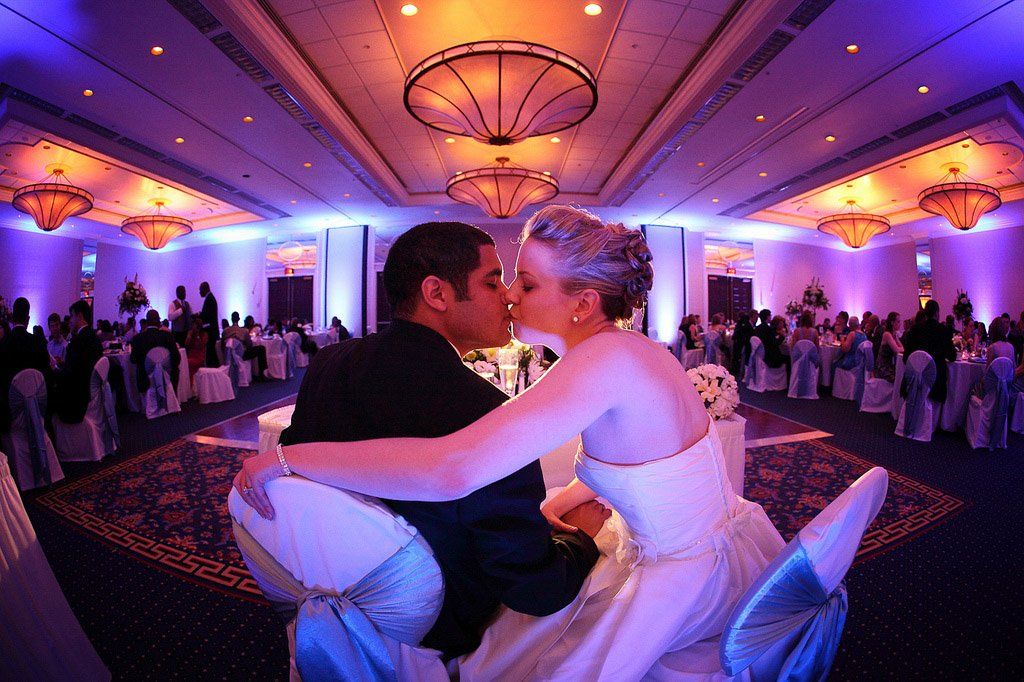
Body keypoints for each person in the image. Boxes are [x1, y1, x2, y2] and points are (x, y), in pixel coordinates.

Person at [235, 206, 784, 679]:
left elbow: (452, 469)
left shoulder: (606, 360)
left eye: (526, 283)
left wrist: (286, 457)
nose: (511, 297)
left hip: (684, 577)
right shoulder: (622, 352)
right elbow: (642, 470)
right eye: (504, 281)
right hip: (699, 544)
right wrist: (563, 507)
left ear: (583, 303)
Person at [266, 220, 602, 661]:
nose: (508, 295)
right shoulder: (487, 412)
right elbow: (533, 588)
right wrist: (581, 540)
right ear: (437, 293)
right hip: (435, 624)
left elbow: (300, 489)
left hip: (328, 589)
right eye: (491, 281)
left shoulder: (330, 364)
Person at [0, 297, 52, 433]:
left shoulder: (3, 344)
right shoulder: (38, 343)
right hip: (36, 410)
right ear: (28, 319)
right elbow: (46, 375)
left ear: (12, 318)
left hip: (9, 413)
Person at [54, 300, 103, 424]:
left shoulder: (78, 341)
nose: (69, 320)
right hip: (93, 391)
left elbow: (72, 375)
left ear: (79, 316)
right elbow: (81, 365)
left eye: (72, 316)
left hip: (78, 395)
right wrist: (63, 365)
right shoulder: (95, 338)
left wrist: (54, 371)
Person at [903, 300, 956, 402]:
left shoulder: (914, 329)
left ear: (925, 313)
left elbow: (906, 359)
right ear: (937, 313)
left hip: (914, 380)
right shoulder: (943, 330)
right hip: (936, 382)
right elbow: (952, 357)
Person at [129, 309, 180, 394]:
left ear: (146, 322)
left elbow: (133, 359)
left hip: (146, 381)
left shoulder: (138, 339)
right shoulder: (168, 336)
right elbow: (177, 359)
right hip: (167, 380)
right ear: (159, 322)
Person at [223, 312, 268, 379]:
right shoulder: (244, 331)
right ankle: (262, 374)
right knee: (261, 348)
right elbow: (249, 345)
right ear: (239, 319)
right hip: (242, 355)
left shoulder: (225, 331)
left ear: (231, 319)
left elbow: (223, 344)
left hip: (229, 355)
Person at [876, 312, 904, 383]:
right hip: (883, 368)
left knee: (904, 376)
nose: (900, 324)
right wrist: (900, 348)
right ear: (892, 322)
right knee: (900, 380)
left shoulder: (893, 335)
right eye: (898, 322)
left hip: (890, 366)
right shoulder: (887, 334)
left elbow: (902, 348)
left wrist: (899, 347)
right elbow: (897, 350)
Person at [198, 281, 220, 367]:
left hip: (211, 332)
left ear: (205, 289)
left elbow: (208, 317)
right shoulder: (210, 298)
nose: (199, 292)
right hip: (212, 331)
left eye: (200, 290)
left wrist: (199, 317)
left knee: (211, 354)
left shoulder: (209, 299)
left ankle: (213, 371)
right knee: (212, 354)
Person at [731, 309, 755, 376]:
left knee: (737, 358)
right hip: (743, 343)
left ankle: (737, 372)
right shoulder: (746, 323)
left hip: (739, 342)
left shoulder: (741, 323)